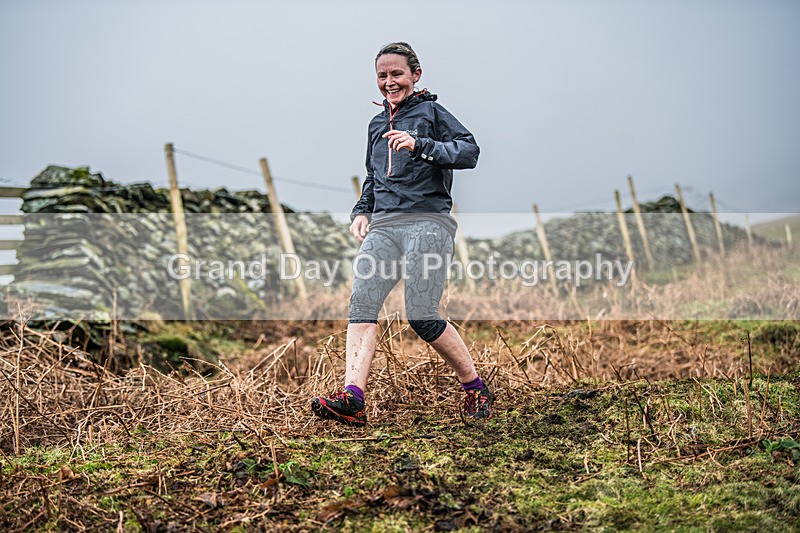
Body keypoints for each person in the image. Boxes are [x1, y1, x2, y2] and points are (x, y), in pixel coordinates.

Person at [311, 42, 494, 426]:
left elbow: (469, 152)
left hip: (428, 222)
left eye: (397, 74)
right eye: (382, 75)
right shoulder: (377, 125)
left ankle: (476, 388)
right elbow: (374, 176)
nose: (389, 82)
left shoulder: (431, 112)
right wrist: (362, 211)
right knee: (361, 305)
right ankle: (353, 399)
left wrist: (421, 144)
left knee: (422, 317)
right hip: (384, 226)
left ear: (415, 75)